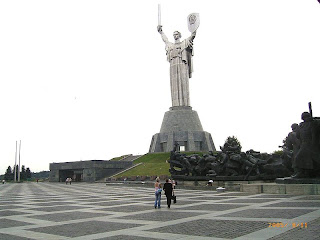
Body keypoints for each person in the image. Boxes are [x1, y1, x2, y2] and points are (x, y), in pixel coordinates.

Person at [157, 25, 196, 107]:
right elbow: (165, 40)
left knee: (183, 83)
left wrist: (194, 28)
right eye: (174, 34)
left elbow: (192, 36)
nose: (175, 36)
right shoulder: (171, 45)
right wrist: (161, 32)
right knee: (174, 86)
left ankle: (185, 104)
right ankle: (176, 105)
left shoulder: (184, 43)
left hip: (182, 65)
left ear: (180, 35)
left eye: (176, 34)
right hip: (173, 66)